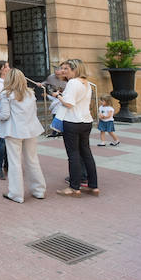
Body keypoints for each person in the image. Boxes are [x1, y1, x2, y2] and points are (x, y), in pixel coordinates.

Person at [0, 69, 47, 203]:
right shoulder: (30, 94)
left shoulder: (6, 94)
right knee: (32, 159)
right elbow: (34, 112)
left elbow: (5, 115)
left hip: (14, 130)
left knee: (14, 162)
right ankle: (39, 190)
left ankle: (16, 194)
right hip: (30, 129)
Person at [51, 59, 99, 197]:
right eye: (63, 68)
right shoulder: (87, 83)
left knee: (73, 155)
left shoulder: (73, 83)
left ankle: (74, 187)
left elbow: (69, 104)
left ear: (75, 69)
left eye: (66, 68)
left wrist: (58, 96)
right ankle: (93, 186)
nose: (63, 71)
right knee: (86, 153)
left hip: (72, 122)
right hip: (86, 121)